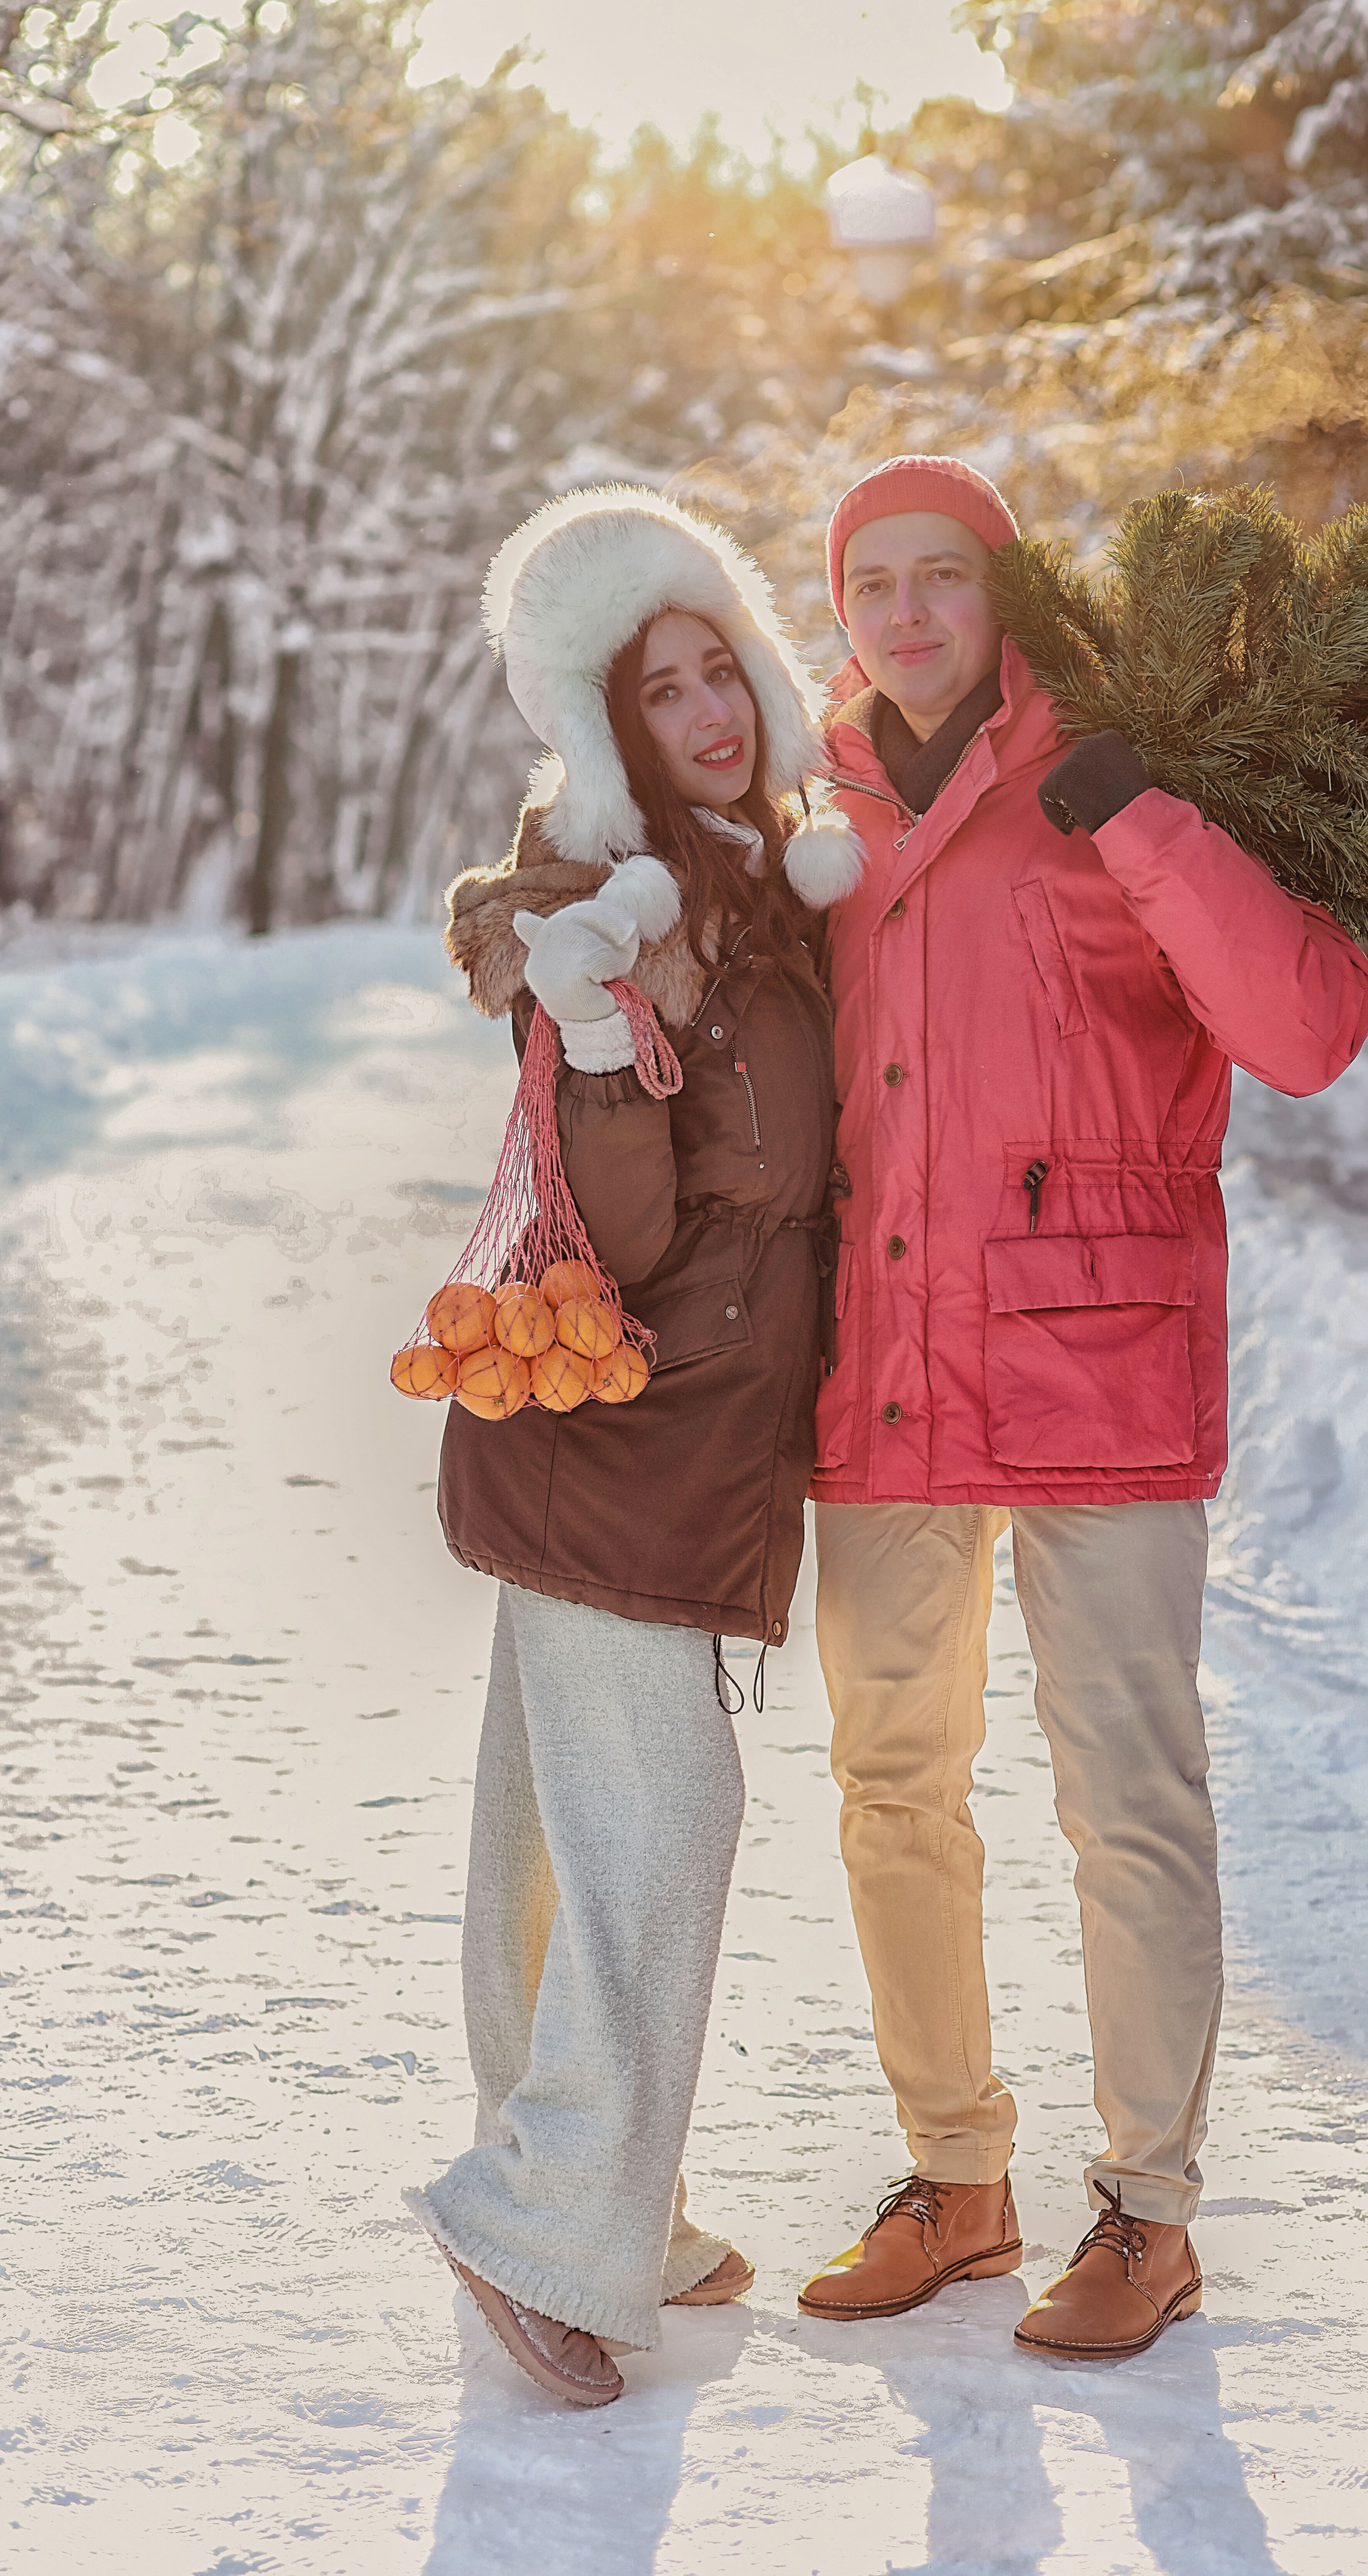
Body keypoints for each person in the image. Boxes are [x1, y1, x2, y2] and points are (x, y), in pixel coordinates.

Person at [797, 455, 1368, 2361]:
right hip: (880, 1382)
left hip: (1100, 1366)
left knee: (1128, 1795)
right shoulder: (823, 820)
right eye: (871, 579)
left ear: (1005, 591)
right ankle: (957, 2179)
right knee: (893, 1787)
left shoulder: (1133, 775)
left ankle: (1150, 2213)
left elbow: (1303, 1030)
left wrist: (1138, 816)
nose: (904, 611)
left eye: (939, 573)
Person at [405, 487, 862, 2408]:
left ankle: (604, 2187)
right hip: (619, 1432)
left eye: (716, 670)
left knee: (551, 1842)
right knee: (664, 1823)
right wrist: (604, 1037)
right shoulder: (618, 910)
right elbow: (644, 1231)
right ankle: (542, 2222)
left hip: (672, 1445)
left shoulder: (756, 880)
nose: (706, 709)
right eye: (658, 688)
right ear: (609, 723)